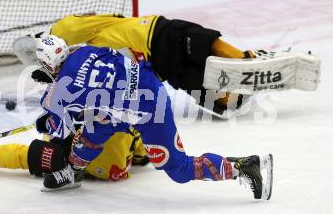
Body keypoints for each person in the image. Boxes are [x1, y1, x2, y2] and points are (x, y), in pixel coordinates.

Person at [25, 35, 273, 198]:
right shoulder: (86, 49)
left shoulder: (59, 93)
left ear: (46, 64)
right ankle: (72, 172)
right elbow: (123, 55)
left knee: (178, 169)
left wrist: (45, 118)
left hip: (147, 112)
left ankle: (241, 167)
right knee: (95, 125)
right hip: (146, 86)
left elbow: (57, 130)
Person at [46, 14, 257, 114]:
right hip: (165, 69)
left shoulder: (96, 28)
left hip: (158, 35)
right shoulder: (89, 66)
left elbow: (67, 27)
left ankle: (245, 61)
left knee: (206, 45)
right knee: (226, 104)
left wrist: (46, 42)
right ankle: (248, 81)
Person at [0, 127, 149, 182]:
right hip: (111, 169)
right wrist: (139, 156)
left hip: (82, 160)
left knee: (23, 154)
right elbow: (140, 145)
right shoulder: (132, 110)